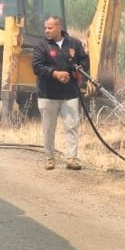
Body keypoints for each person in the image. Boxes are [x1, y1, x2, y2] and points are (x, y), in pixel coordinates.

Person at [31, 15, 89, 170]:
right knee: (48, 128)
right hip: (48, 94)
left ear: (59, 27)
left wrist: (77, 72)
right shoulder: (41, 46)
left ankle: (72, 158)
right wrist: (55, 74)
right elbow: (37, 67)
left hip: (70, 93)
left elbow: (84, 61)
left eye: (50, 28)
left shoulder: (74, 44)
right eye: (45, 28)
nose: (47, 31)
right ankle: (49, 158)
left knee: (72, 126)